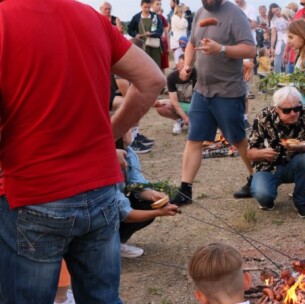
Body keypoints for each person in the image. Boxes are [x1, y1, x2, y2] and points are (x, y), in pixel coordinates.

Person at [0, 0, 166, 302]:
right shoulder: (90, 17)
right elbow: (152, 79)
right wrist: (107, 138)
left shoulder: (4, 20)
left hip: (31, 196)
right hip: (100, 192)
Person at [170, 0, 256, 205]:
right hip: (202, 90)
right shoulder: (200, 12)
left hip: (228, 92)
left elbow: (250, 50)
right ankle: (185, 190)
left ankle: (256, 178)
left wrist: (222, 49)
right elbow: (192, 43)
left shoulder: (235, 15)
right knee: (194, 138)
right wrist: (187, 66)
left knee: (237, 139)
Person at [247, 86, 305, 217]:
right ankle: (266, 195)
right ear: (276, 108)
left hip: (295, 163)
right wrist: (262, 153)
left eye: (296, 108)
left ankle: (300, 201)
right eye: (287, 110)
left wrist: (301, 147)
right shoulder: (263, 117)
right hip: (268, 166)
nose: (293, 113)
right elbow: (250, 152)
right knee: (264, 197)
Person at [156, 54, 197, 134]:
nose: (187, 70)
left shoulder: (197, 74)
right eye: (183, 66)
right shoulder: (172, 77)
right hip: (180, 104)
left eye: (189, 67)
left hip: (195, 105)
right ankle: (179, 120)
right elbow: (174, 100)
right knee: (160, 106)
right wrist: (185, 118)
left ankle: (194, 122)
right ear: (177, 66)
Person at [128, 0, 164, 67]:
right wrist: (135, 34)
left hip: (155, 46)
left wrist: (152, 33)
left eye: (148, 7)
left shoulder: (155, 16)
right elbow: (130, 30)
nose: (147, 9)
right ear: (141, 6)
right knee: (143, 65)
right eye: (145, 7)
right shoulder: (136, 17)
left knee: (156, 66)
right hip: (142, 46)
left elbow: (160, 30)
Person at [268, 3, 289, 73]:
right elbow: (273, 34)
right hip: (280, 38)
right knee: (277, 56)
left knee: (287, 58)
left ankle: (288, 73)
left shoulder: (286, 14)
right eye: (274, 12)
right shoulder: (273, 20)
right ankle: (277, 74)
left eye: (277, 10)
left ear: (279, 8)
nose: (276, 13)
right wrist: (272, 46)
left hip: (289, 37)